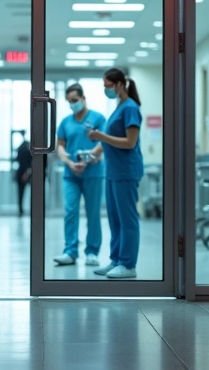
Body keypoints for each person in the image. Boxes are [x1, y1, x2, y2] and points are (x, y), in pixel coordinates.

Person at [88, 68, 144, 279]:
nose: (106, 89)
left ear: (120, 84)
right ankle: (117, 260)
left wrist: (101, 136)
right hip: (112, 171)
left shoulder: (130, 108)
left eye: (108, 86)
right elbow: (111, 139)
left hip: (126, 171)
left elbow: (130, 142)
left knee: (127, 219)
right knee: (115, 219)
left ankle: (128, 264)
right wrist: (96, 150)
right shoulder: (119, 107)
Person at [53, 83, 106, 267]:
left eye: (75, 100)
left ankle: (92, 252)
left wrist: (86, 160)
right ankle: (70, 251)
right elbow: (60, 146)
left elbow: (103, 143)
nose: (72, 104)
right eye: (69, 101)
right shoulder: (65, 122)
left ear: (83, 98)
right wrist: (69, 162)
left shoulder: (98, 118)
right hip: (71, 174)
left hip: (93, 173)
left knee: (93, 213)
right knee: (70, 212)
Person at [14, 130, 33, 217]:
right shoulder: (25, 147)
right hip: (26, 172)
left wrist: (27, 172)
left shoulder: (22, 147)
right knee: (23, 193)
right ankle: (21, 210)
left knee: (22, 193)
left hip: (25, 172)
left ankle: (21, 210)